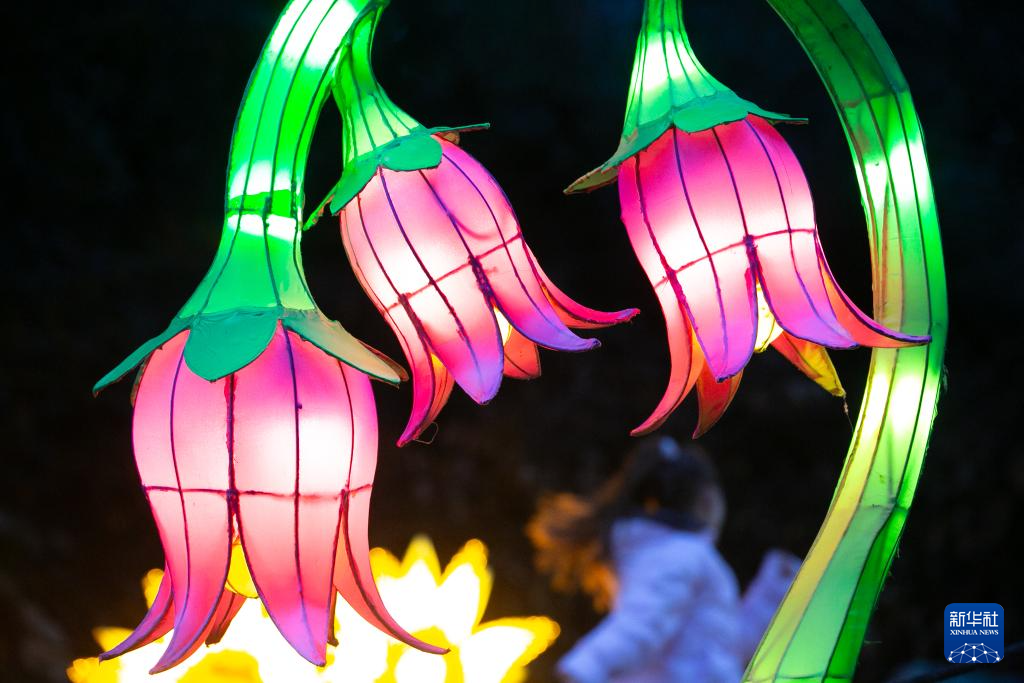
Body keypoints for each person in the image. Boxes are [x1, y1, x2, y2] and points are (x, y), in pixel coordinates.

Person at [528, 436, 801, 683]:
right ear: (707, 501)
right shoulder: (681, 556)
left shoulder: (680, 556)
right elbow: (641, 624)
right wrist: (584, 668)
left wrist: (773, 592)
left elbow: (727, 645)